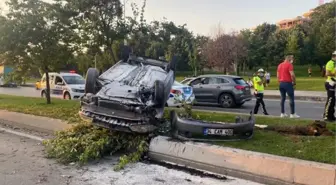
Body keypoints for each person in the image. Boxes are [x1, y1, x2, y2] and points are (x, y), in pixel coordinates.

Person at [322, 51, 336, 122]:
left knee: (333, 100)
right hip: (330, 83)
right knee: (330, 100)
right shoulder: (330, 63)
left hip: (334, 83)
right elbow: (327, 73)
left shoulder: (335, 63)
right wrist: (334, 74)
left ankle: (331, 115)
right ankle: (326, 116)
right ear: (334, 56)